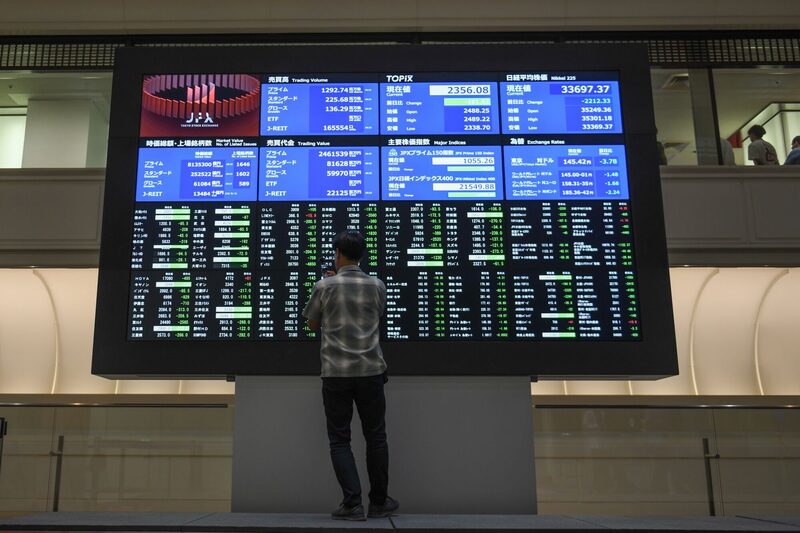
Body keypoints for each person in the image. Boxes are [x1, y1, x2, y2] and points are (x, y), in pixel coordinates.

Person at [303, 230, 399, 521]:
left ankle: (352, 503)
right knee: (376, 437)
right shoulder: (377, 286)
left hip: (336, 374)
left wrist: (331, 289)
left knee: (339, 439)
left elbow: (312, 325)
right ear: (361, 256)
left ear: (338, 254)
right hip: (371, 371)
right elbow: (375, 316)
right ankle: (379, 502)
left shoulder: (324, 286)